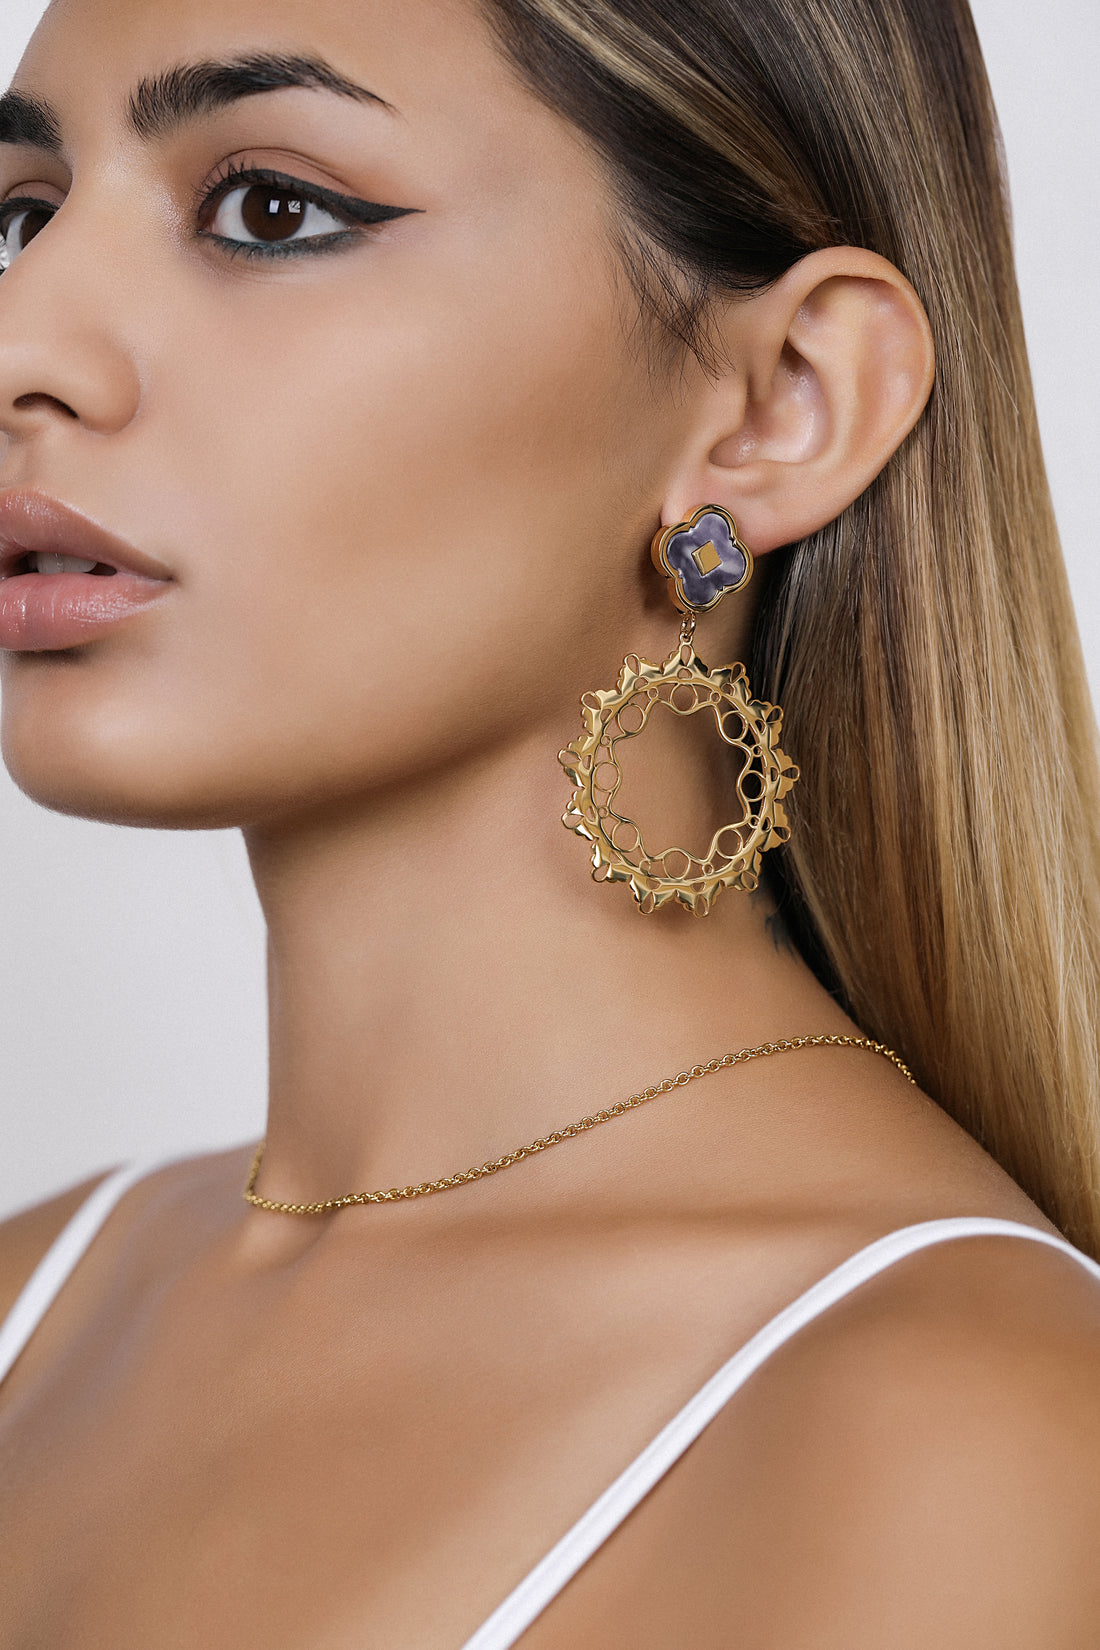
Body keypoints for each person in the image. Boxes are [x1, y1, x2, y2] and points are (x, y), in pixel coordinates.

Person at [0, 0, 1098, 1643]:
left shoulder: (963, 1447)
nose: (23, 344)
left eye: (272, 211)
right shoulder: (32, 1299)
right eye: (21, 220)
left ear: (781, 405)